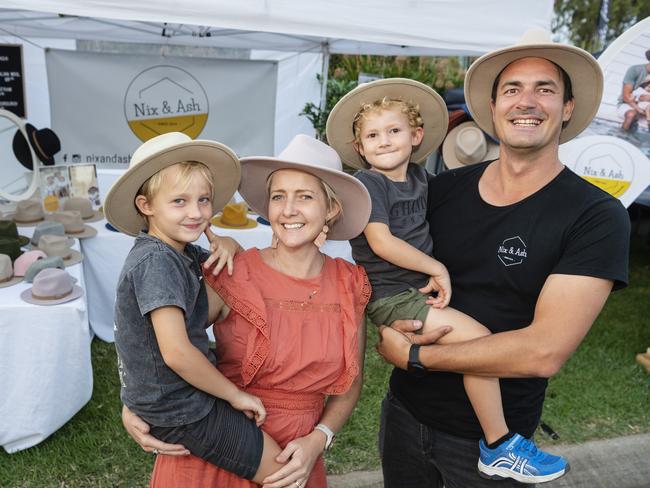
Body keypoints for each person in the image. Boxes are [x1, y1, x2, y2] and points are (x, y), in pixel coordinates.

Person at [374, 29, 630, 487]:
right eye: (512, 89)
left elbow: (543, 352)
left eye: (545, 89)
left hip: (496, 445)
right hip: (405, 417)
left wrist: (416, 356)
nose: (526, 101)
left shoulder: (595, 216)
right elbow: (384, 262)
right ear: (492, 109)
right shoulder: (442, 191)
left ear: (567, 108)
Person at [327, 77, 568, 483]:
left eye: (394, 131)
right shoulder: (370, 183)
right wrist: (436, 268)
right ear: (359, 148)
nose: (383, 141)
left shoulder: (422, 180)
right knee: (482, 344)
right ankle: (499, 444)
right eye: (372, 135)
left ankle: (498, 442)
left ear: (416, 135)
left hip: (413, 291)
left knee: (478, 348)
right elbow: (380, 241)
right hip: (393, 294)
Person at [122, 134, 372, 488]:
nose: (289, 210)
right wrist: (136, 403)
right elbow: (162, 341)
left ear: (330, 208)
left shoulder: (349, 284)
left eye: (305, 197)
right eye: (278, 197)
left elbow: (352, 383)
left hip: (295, 460)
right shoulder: (235, 272)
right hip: (216, 449)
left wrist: (319, 439)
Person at [104, 132, 286, 484]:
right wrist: (235, 396)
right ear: (146, 206)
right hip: (180, 409)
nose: (197, 213)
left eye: (204, 200)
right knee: (281, 470)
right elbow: (176, 353)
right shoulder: (157, 262)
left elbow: (224, 276)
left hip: (171, 398)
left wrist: (230, 243)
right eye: (180, 202)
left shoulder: (178, 252)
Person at [617, 49, 650, 131]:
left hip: (647, 107)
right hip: (629, 105)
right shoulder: (635, 70)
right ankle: (622, 138)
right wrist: (639, 110)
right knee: (631, 114)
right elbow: (626, 97)